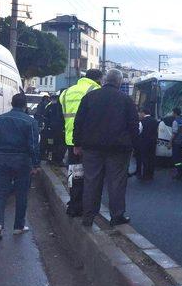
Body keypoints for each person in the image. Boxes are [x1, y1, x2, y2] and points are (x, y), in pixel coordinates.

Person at [73, 69, 138, 227]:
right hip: (119, 149)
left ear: (104, 81)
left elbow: (78, 121)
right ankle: (116, 216)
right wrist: (133, 145)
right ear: (120, 82)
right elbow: (134, 125)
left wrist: (77, 143)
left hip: (91, 148)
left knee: (91, 181)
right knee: (116, 182)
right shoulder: (126, 100)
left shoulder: (90, 97)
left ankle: (88, 217)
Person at [0, 93, 41, 239]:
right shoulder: (30, 122)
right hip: (22, 161)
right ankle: (18, 226)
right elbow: (33, 145)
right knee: (21, 193)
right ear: (25, 105)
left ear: (11, 103)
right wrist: (36, 164)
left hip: (1, 159)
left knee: (0, 192)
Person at [60, 69, 102, 217]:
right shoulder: (95, 90)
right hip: (89, 141)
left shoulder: (66, 92)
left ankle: (73, 203)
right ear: (98, 79)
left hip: (70, 140)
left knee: (74, 173)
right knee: (89, 176)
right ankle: (85, 206)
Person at [136, 107, 158, 180]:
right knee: (151, 158)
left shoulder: (142, 121)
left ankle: (145, 175)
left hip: (144, 143)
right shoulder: (155, 121)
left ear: (143, 113)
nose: (139, 115)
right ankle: (150, 174)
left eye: (140, 113)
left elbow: (138, 132)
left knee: (144, 158)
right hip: (153, 142)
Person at [44, 94, 66, 165]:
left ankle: (51, 159)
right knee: (58, 145)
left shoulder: (49, 107)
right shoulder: (61, 107)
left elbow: (45, 118)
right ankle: (58, 160)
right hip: (58, 131)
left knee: (51, 145)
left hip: (52, 131)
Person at [170, 107, 182, 180]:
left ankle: (179, 174)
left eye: (173, 112)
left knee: (176, 158)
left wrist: (170, 142)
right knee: (181, 158)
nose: (172, 114)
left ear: (175, 113)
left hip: (176, 142)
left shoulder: (175, 122)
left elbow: (174, 133)